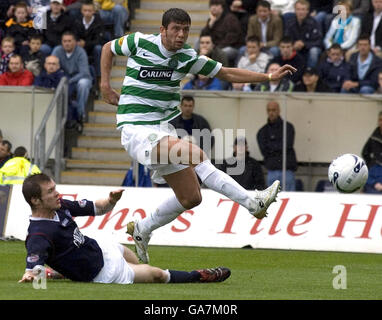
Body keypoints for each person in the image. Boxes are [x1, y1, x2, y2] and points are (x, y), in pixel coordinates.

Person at [100, 8, 296, 263]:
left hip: (161, 130)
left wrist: (268, 76)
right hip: (135, 128)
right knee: (196, 153)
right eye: (175, 29)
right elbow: (107, 48)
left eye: (185, 30)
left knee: (191, 196)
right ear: (162, 30)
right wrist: (104, 85)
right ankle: (252, 202)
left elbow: (226, 72)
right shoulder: (140, 42)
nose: (181, 35)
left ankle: (142, 229)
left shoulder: (187, 57)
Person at [18, 173, 231, 284]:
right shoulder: (38, 235)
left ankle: (60, 273)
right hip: (101, 272)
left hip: (97, 249)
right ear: (36, 200)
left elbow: (98, 208)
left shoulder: (61, 205)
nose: (57, 193)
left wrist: (111, 200)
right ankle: (198, 276)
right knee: (157, 275)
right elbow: (32, 267)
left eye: (55, 188)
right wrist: (31, 275)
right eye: (50, 191)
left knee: (128, 253)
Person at [52, 31, 92, 124]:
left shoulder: (81, 52)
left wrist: (69, 80)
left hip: (78, 79)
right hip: (63, 78)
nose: (67, 43)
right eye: (65, 41)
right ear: (62, 42)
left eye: (69, 41)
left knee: (83, 83)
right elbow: (52, 66)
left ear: (75, 42)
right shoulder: (57, 50)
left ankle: (80, 113)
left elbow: (84, 72)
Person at [256, 100, 298, 191]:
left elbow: (287, 145)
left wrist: (271, 146)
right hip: (272, 170)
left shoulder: (288, 127)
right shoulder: (262, 131)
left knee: (290, 200)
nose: (271, 113)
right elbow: (264, 151)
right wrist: (278, 145)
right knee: (272, 201)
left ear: (279, 111)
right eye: (269, 110)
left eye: (274, 110)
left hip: (287, 170)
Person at [201, 0, 245, 66]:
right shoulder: (211, 20)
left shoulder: (230, 18)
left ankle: (219, 74)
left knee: (222, 52)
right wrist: (210, 25)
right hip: (215, 46)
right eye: (212, 6)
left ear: (222, 7)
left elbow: (231, 38)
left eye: (216, 5)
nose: (213, 8)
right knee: (198, 43)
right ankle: (195, 73)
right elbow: (203, 36)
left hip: (232, 47)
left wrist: (215, 48)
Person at [284, 0, 323, 68]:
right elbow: (286, 38)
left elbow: (319, 42)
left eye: (303, 9)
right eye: (298, 9)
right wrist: (292, 45)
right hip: (294, 48)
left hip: (308, 49)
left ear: (307, 11)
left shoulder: (314, 23)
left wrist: (304, 44)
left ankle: (309, 73)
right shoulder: (290, 22)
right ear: (295, 10)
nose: (301, 12)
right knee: (284, 48)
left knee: (314, 51)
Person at [73, 1, 106, 82]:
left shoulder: (99, 22)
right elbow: (74, 34)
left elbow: (99, 40)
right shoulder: (77, 21)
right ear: (81, 11)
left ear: (93, 11)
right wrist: (77, 42)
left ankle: (99, 77)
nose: (87, 13)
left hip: (92, 48)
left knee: (98, 48)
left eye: (89, 10)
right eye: (85, 10)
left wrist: (85, 44)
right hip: (79, 47)